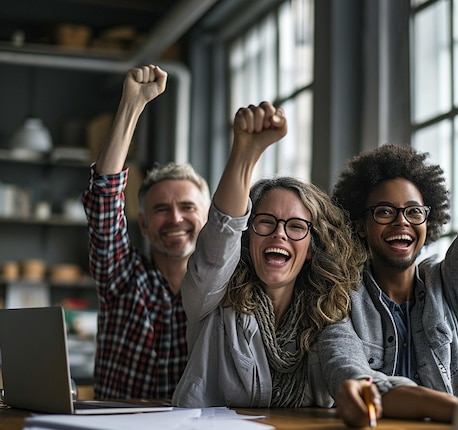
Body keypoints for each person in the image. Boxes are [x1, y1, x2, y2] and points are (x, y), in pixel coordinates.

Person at [319, 71, 458, 426]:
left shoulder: (445, 288)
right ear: (360, 225)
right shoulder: (338, 296)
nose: (401, 222)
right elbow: (349, 370)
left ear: (428, 220)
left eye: (413, 212)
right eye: (384, 212)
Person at [171, 101, 368, 409]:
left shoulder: (327, 314)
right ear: (247, 237)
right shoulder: (211, 299)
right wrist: (245, 152)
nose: (279, 234)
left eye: (296, 226)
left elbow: (350, 363)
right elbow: (220, 240)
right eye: (266, 222)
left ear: (311, 250)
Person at [82, 64, 211, 400]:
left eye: (187, 207)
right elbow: (103, 204)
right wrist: (132, 104)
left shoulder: (225, 289)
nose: (175, 218)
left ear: (209, 218)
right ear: (143, 223)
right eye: (160, 209)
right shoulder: (121, 277)